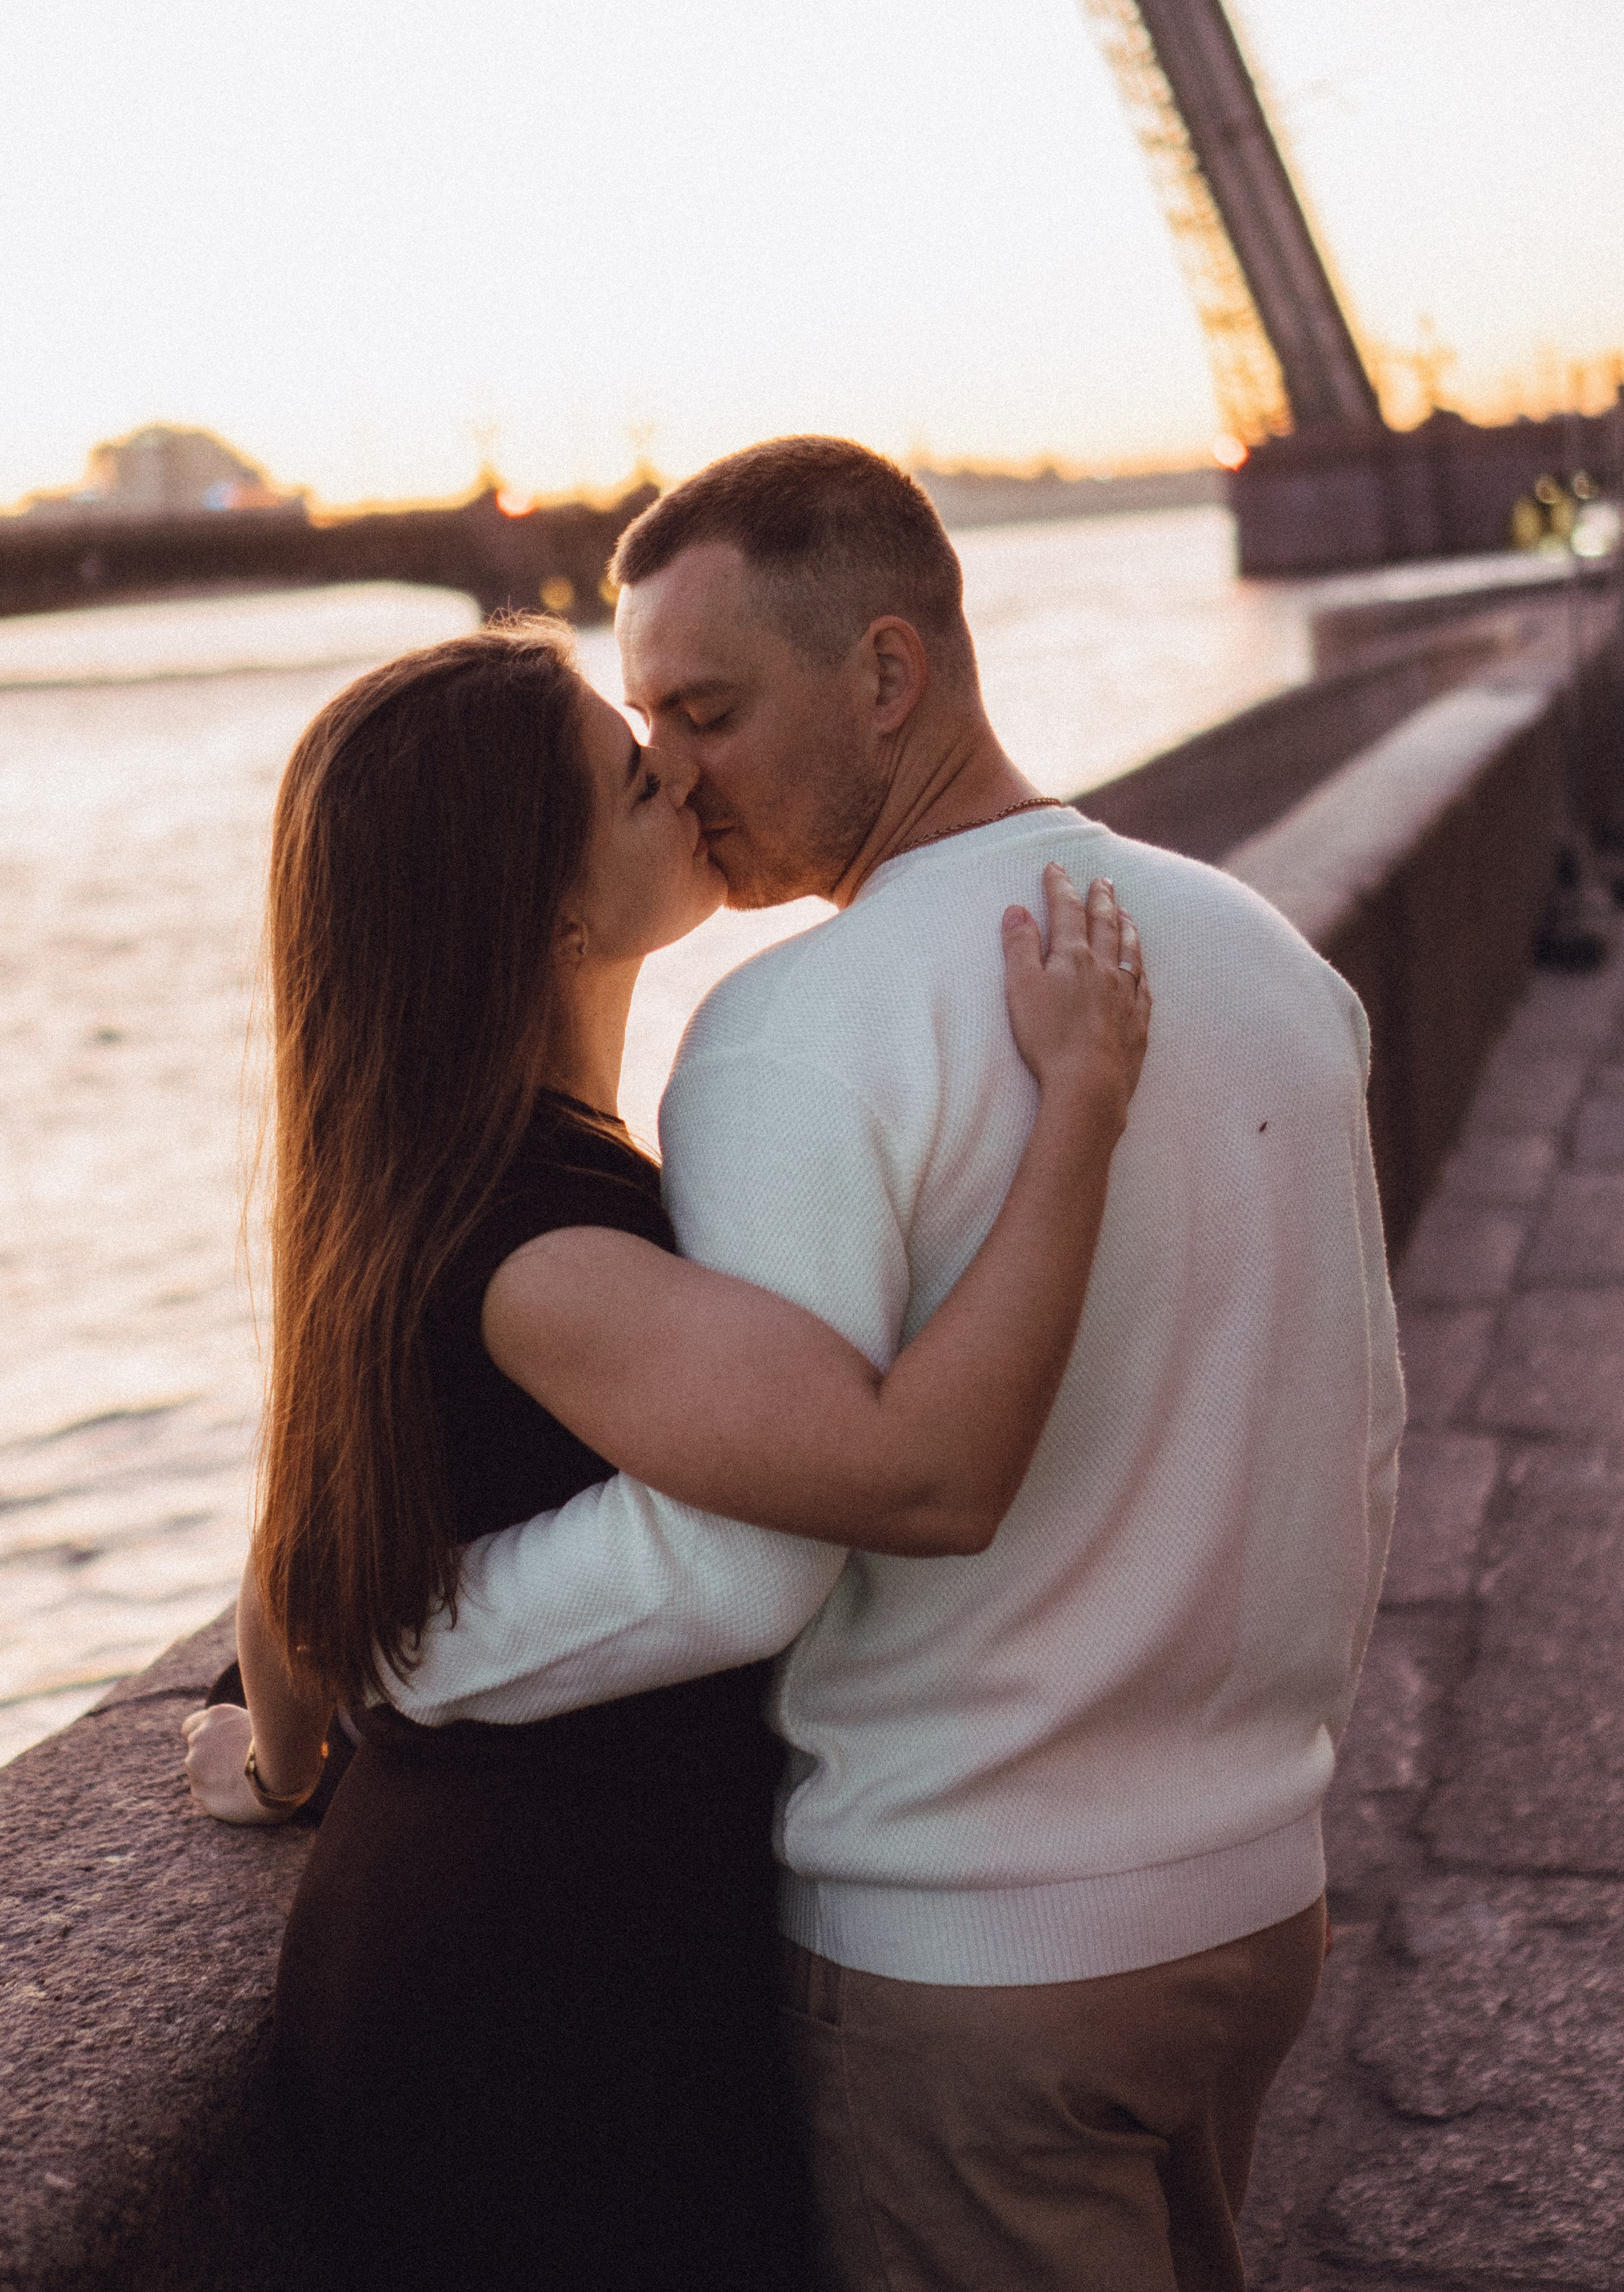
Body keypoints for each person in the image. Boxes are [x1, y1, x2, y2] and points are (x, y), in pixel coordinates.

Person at [372, 437, 1405, 2292]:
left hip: (973, 1948)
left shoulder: (789, 1034)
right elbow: (1362, 1428)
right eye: (647, 727)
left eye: (709, 711)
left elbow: (736, 1559)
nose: (678, 773)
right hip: (1256, 1902)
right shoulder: (1261, 959)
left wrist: (387, 1643)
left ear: (884, 672)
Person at [181, 616, 1151, 2292]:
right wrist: (1079, 1105)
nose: (689, 782)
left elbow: (304, 1564)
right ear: (549, 913)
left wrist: (279, 1767)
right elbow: (924, 1473)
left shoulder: (419, 1189)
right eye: (638, 781)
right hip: (547, 2016)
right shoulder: (549, 1248)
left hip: (496, 1960)